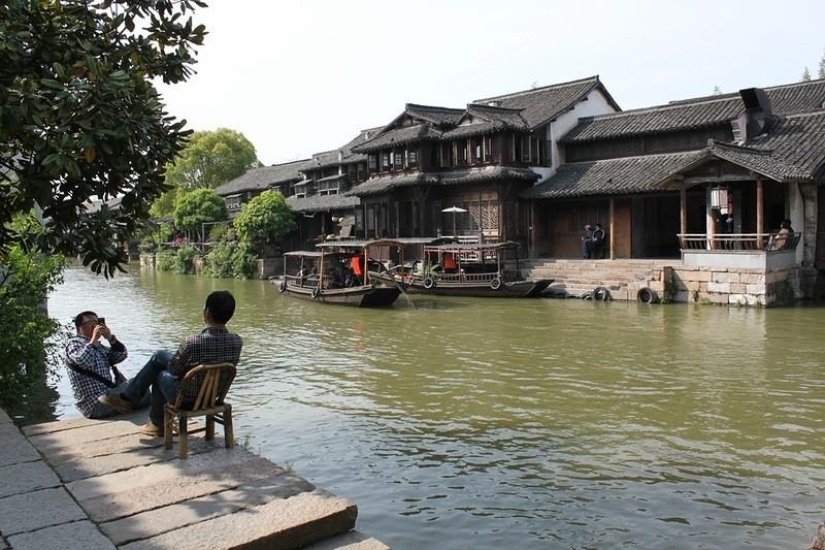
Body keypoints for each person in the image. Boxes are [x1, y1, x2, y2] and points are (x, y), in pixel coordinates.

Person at [99, 290, 243, 437]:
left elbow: (174, 370)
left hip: (186, 399)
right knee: (160, 358)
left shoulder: (192, 342)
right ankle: (131, 401)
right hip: (212, 398)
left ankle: (152, 420)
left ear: (207, 312)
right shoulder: (237, 341)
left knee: (158, 371)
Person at [66, 312, 148, 418]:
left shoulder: (99, 347)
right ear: (80, 327)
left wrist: (110, 338)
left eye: (97, 322)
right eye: (91, 322)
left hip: (111, 398)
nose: (96, 325)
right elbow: (83, 361)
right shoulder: (74, 343)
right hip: (95, 404)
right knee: (137, 381)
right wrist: (94, 339)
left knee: (147, 390)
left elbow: (121, 356)